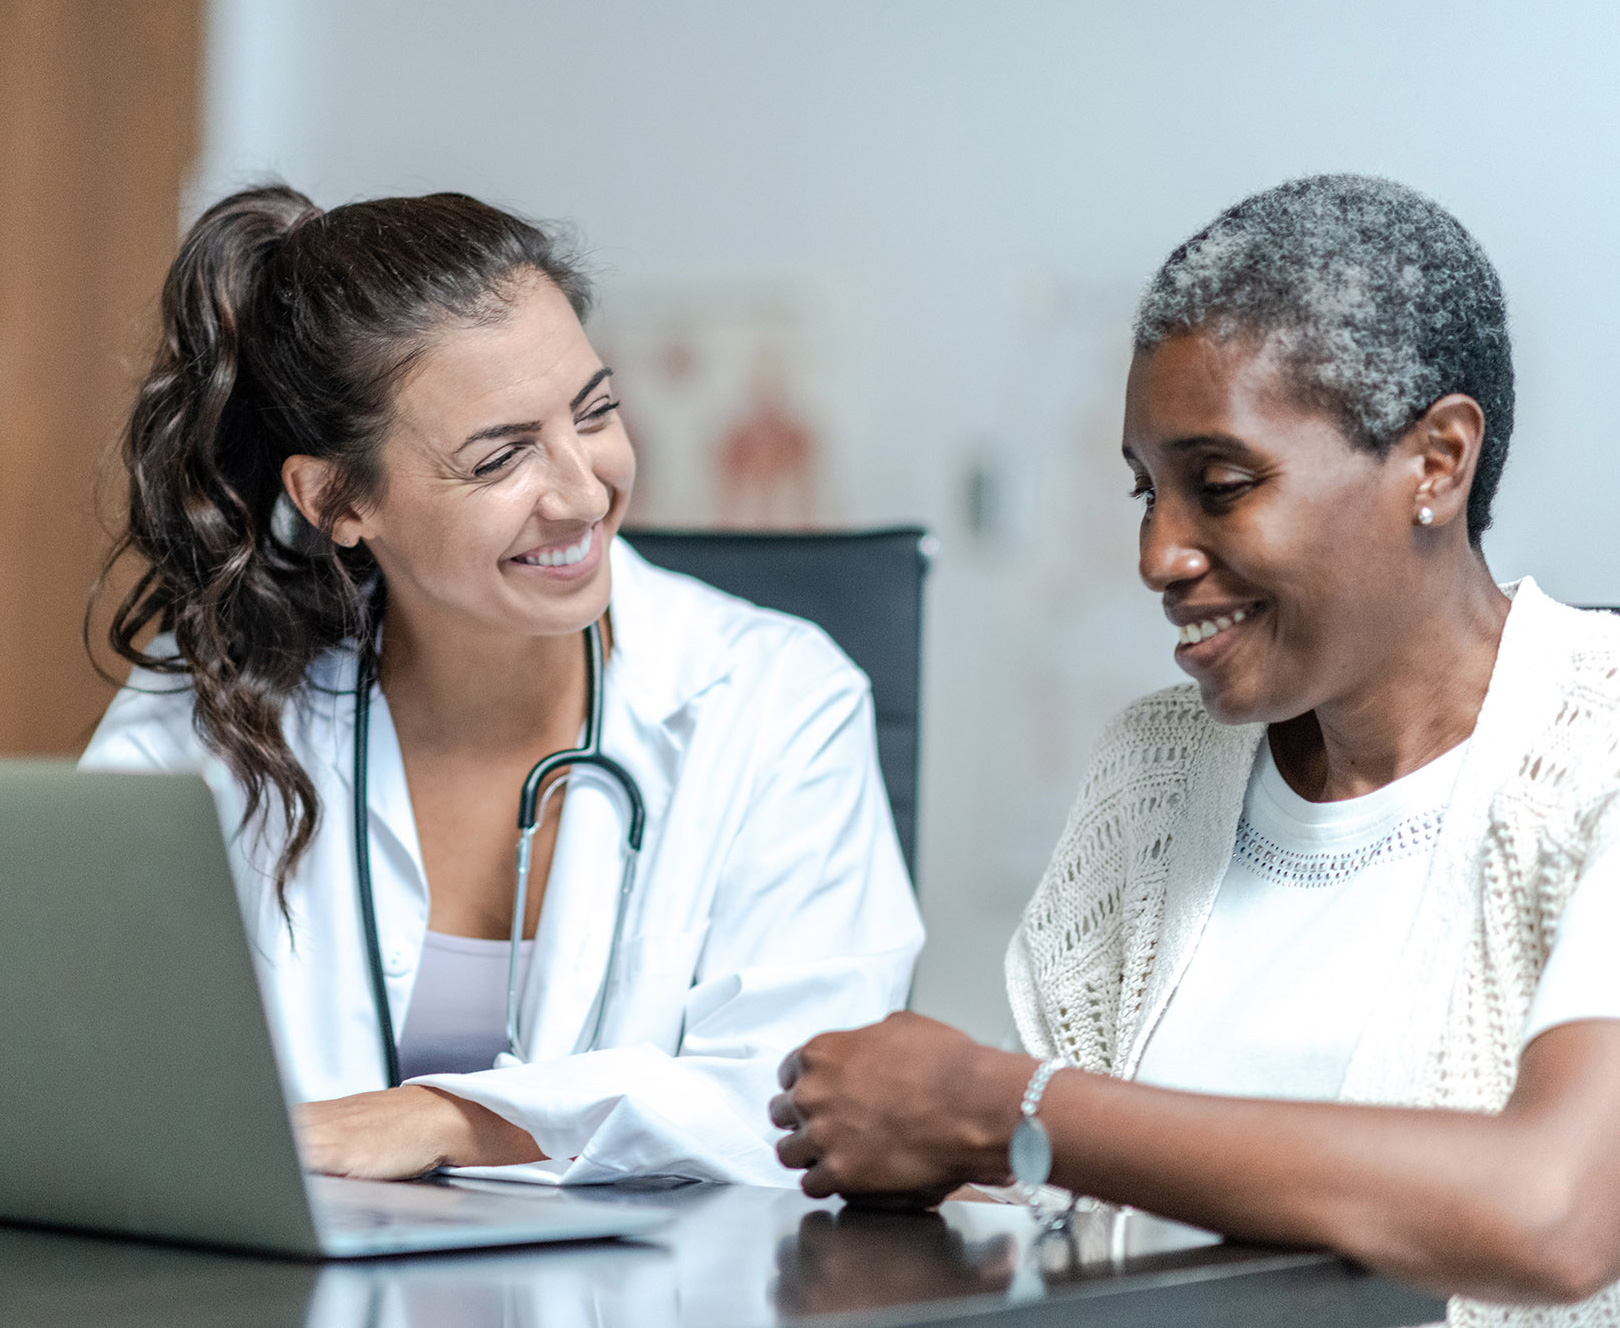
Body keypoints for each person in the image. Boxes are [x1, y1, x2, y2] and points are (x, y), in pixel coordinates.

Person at [771, 175, 1620, 1323]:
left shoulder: (1596, 747)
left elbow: (1555, 1211)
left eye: (1221, 485)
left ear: (1438, 460)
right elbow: (1048, 1200)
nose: (1160, 554)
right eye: (1145, 491)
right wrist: (944, 1146)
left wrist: (1001, 1103)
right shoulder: (1154, 773)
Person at [82, 184, 922, 1187]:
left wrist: (441, 1117)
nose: (582, 490)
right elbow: (79, 1057)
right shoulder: (215, 708)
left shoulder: (775, 699)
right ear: (337, 498)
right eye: (502, 456)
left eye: (596, 411)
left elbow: (808, 1101)